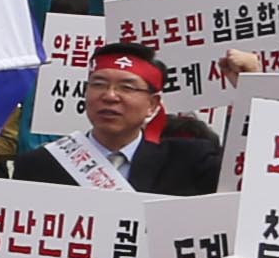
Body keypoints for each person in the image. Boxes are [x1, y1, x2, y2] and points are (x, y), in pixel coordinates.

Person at [76, 42, 224, 195]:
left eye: (127, 87)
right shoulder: (54, 160)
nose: (110, 96)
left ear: (152, 105)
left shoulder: (190, 161)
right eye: (99, 84)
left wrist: (249, 86)